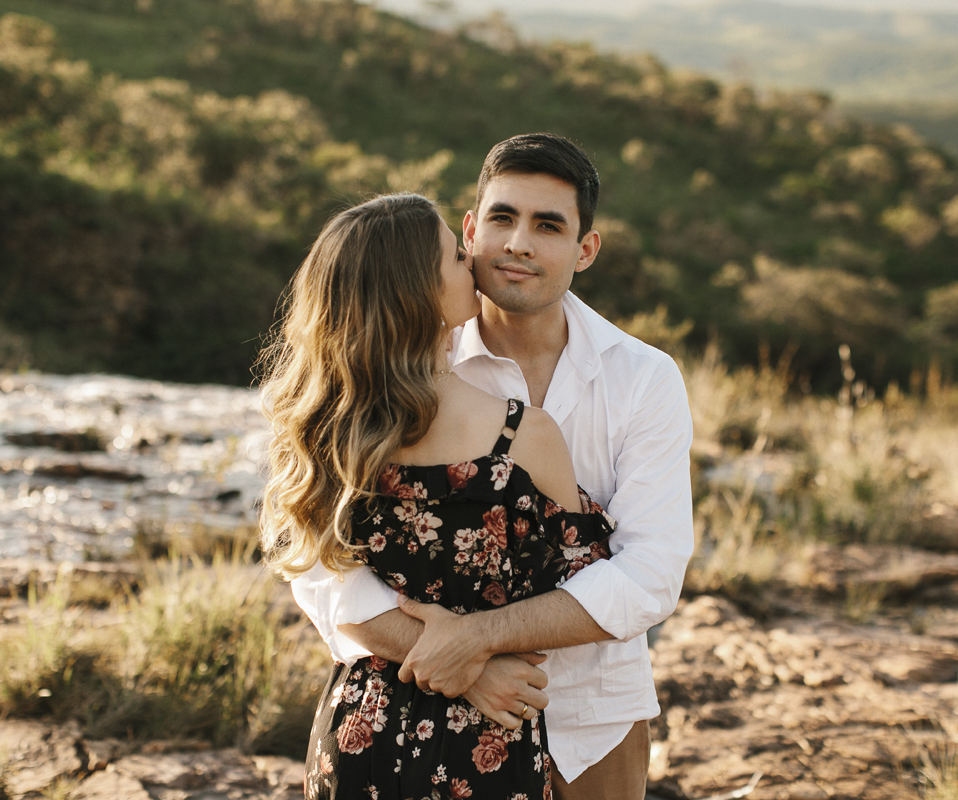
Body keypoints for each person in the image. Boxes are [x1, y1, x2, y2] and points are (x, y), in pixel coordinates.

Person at [291, 133, 694, 799]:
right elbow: (320, 566)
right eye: (502, 218)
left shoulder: (642, 378)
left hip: (594, 715)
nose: (519, 244)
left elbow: (650, 573)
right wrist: (463, 667)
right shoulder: (398, 366)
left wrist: (476, 640)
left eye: (548, 226)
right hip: (422, 711)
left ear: (584, 250)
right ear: (472, 229)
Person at [258, 191, 619, 799]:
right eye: (457, 257)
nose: (474, 266)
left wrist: (454, 647)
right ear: (419, 291)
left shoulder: (329, 430)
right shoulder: (525, 436)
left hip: (362, 730)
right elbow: (584, 589)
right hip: (487, 742)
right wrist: (476, 659)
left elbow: (323, 576)